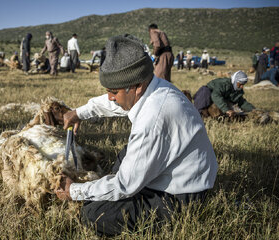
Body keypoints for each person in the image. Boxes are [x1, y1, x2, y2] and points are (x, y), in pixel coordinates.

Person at [55, 34, 218, 237]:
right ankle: (110, 192)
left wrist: (75, 191)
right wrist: (78, 113)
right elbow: (113, 103)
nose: (110, 97)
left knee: (94, 213)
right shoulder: (154, 88)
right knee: (126, 155)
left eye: (113, 91)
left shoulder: (153, 117)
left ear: (136, 86)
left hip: (181, 195)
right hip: (172, 171)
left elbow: (124, 184)